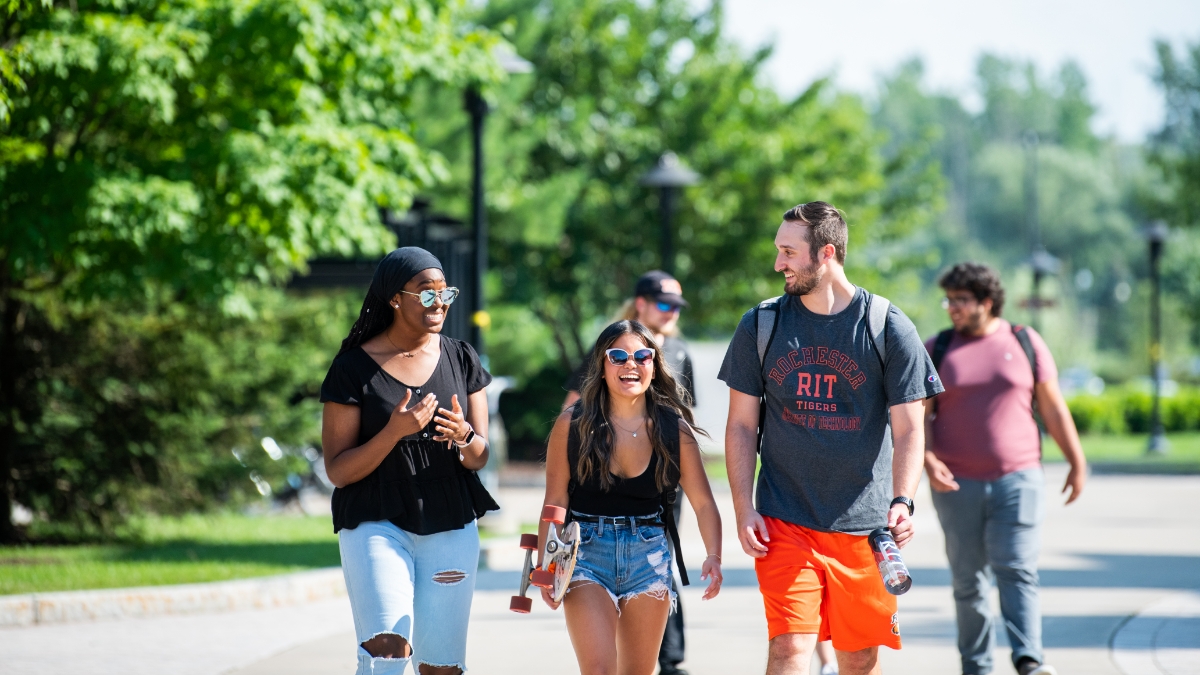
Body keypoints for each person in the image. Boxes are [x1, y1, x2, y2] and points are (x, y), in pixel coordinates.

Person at [719, 201, 943, 675]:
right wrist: (743, 507)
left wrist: (904, 499)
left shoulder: (887, 326)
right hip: (785, 519)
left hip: (864, 527)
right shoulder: (761, 325)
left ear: (825, 253)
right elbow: (740, 424)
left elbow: (909, 428)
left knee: (858, 658)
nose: (778, 263)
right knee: (789, 648)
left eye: (788, 252)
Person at [319, 247, 499, 675]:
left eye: (445, 293)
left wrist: (465, 436)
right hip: (375, 523)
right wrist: (393, 432)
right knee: (388, 650)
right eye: (427, 294)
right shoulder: (352, 369)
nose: (440, 304)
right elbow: (338, 471)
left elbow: (480, 456)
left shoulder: (461, 357)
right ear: (395, 299)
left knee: (442, 665)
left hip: (451, 523)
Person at [924, 263, 1087, 675]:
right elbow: (916, 416)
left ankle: (1029, 660)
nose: (951, 309)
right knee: (968, 582)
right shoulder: (938, 348)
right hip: (955, 483)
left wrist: (1076, 460)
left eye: (960, 300)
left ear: (986, 301)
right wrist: (927, 459)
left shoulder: (1024, 341)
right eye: (948, 300)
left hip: (1019, 476)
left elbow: (1051, 406)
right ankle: (976, 667)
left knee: (1017, 569)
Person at [541, 320, 724, 675]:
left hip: (648, 556)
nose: (631, 364)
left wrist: (714, 556)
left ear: (654, 365)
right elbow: (556, 499)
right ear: (601, 364)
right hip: (585, 553)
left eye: (642, 355)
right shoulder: (572, 424)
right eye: (618, 356)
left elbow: (703, 503)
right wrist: (548, 566)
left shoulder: (674, 429)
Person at [562, 269, 695, 675]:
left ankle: (671, 660)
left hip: (659, 487)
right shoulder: (610, 344)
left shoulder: (681, 351)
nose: (672, 312)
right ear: (641, 303)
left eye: (677, 305)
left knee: (658, 560)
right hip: (594, 512)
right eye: (664, 303)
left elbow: (686, 415)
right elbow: (574, 409)